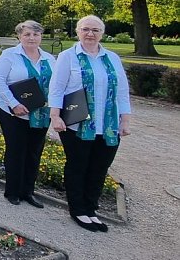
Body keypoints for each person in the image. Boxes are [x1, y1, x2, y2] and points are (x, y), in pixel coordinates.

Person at [49, 15, 132, 232]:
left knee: (99, 167)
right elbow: (57, 88)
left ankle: (91, 208)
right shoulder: (68, 56)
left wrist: (125, 120)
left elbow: (122, 91)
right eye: (85, 29)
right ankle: (78, 210)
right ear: (78, 32)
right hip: (77, 123)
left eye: (95, 30)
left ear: (102, 33)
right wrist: (55, 116)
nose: (90, 34)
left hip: (108, 125)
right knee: (78, 166)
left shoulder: (112, 58)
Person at [0, 20, 57, 207]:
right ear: (19, 36)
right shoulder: (10, 55)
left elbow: (56, 85)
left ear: (41, 37)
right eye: (27, 34)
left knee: (34, 153)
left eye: (35, 34)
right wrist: (14, 104)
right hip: (14, 112)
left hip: (40, 114)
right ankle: (12, 191)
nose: (31, 38)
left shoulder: (49, 59)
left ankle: (28, 191)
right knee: (16, 151)